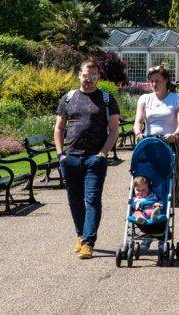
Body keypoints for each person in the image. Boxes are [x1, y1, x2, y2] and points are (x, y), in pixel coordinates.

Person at [55, 59, 121, 259]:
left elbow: (114, 129)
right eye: (86, 75)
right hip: (71, 158)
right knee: (74, 200)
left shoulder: (107, 99)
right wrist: (61, 155)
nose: (89, 80)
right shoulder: (68, 98)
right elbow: (59, 128)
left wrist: (103, 154)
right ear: (79, 75)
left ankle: (88, 242)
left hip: (94, 159)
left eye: (93, 76)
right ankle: (80, 234)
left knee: (92, 199)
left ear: (98, 77)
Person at [133, 65, 179, 207]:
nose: (154, 84)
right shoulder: (145, 99)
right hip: (149, 144)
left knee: (168, 180)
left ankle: (165, 207)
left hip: (168, 143)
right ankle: (145, 205)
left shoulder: (176, 98)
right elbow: (138, 120)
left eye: (157, 81)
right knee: (146, 177)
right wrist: (138, 133)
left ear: (166, 80)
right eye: (151, 81)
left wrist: (174, 135)